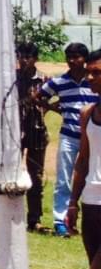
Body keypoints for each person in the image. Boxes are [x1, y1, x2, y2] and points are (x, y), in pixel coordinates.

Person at [63, 50, 101, 269]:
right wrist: (72, 203)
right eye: (89, 72)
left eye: (97, 72)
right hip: (91, 205)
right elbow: (83, 160)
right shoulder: (88, 112)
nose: (90, 78)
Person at [40, 42, 96, 238]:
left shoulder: (94, 80)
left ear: (85, 59)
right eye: (69, 57)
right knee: (64, 179)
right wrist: (57, 108)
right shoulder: (59, 82)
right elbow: (39, 96)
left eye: (76, 57)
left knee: (92, 177)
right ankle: (60, 221)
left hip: (93, 138)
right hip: (69, 137)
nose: (72, 61)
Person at [14, 42, 48, 232]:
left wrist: (41, 112)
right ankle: (11, 215)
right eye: (20, 56)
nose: (23, 60)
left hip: (36, 132)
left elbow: (52, 101)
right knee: (12, 174)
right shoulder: (11, 78)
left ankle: (34, 219)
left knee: (35, 176)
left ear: (36, 58)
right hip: (14, 134)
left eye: (28, 56)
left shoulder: (44, 79)